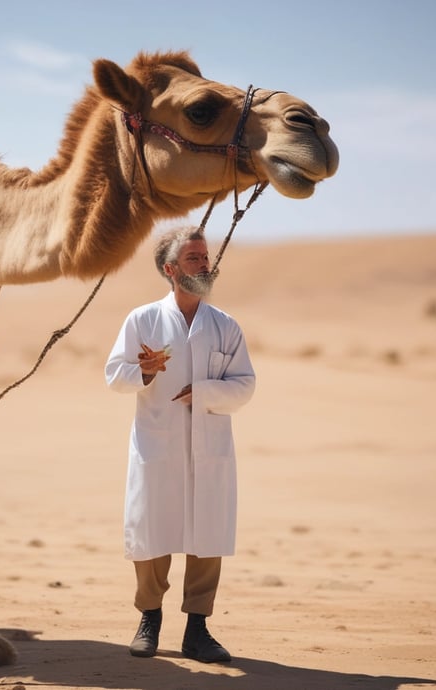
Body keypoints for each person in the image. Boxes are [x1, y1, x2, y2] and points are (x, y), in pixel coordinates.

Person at [104, 227, 256, 663]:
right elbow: (114, 376)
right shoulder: (142, 320)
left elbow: (245, 385)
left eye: (205, 257)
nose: (204, 264)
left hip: (209, 448)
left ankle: (198, 629)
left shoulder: (225, 326)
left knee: (206, 536)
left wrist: (204, 391)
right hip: (159, 447)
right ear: (170, 270)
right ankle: (149, 620)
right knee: (152, 532)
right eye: (193, 258)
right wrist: (145, 373)